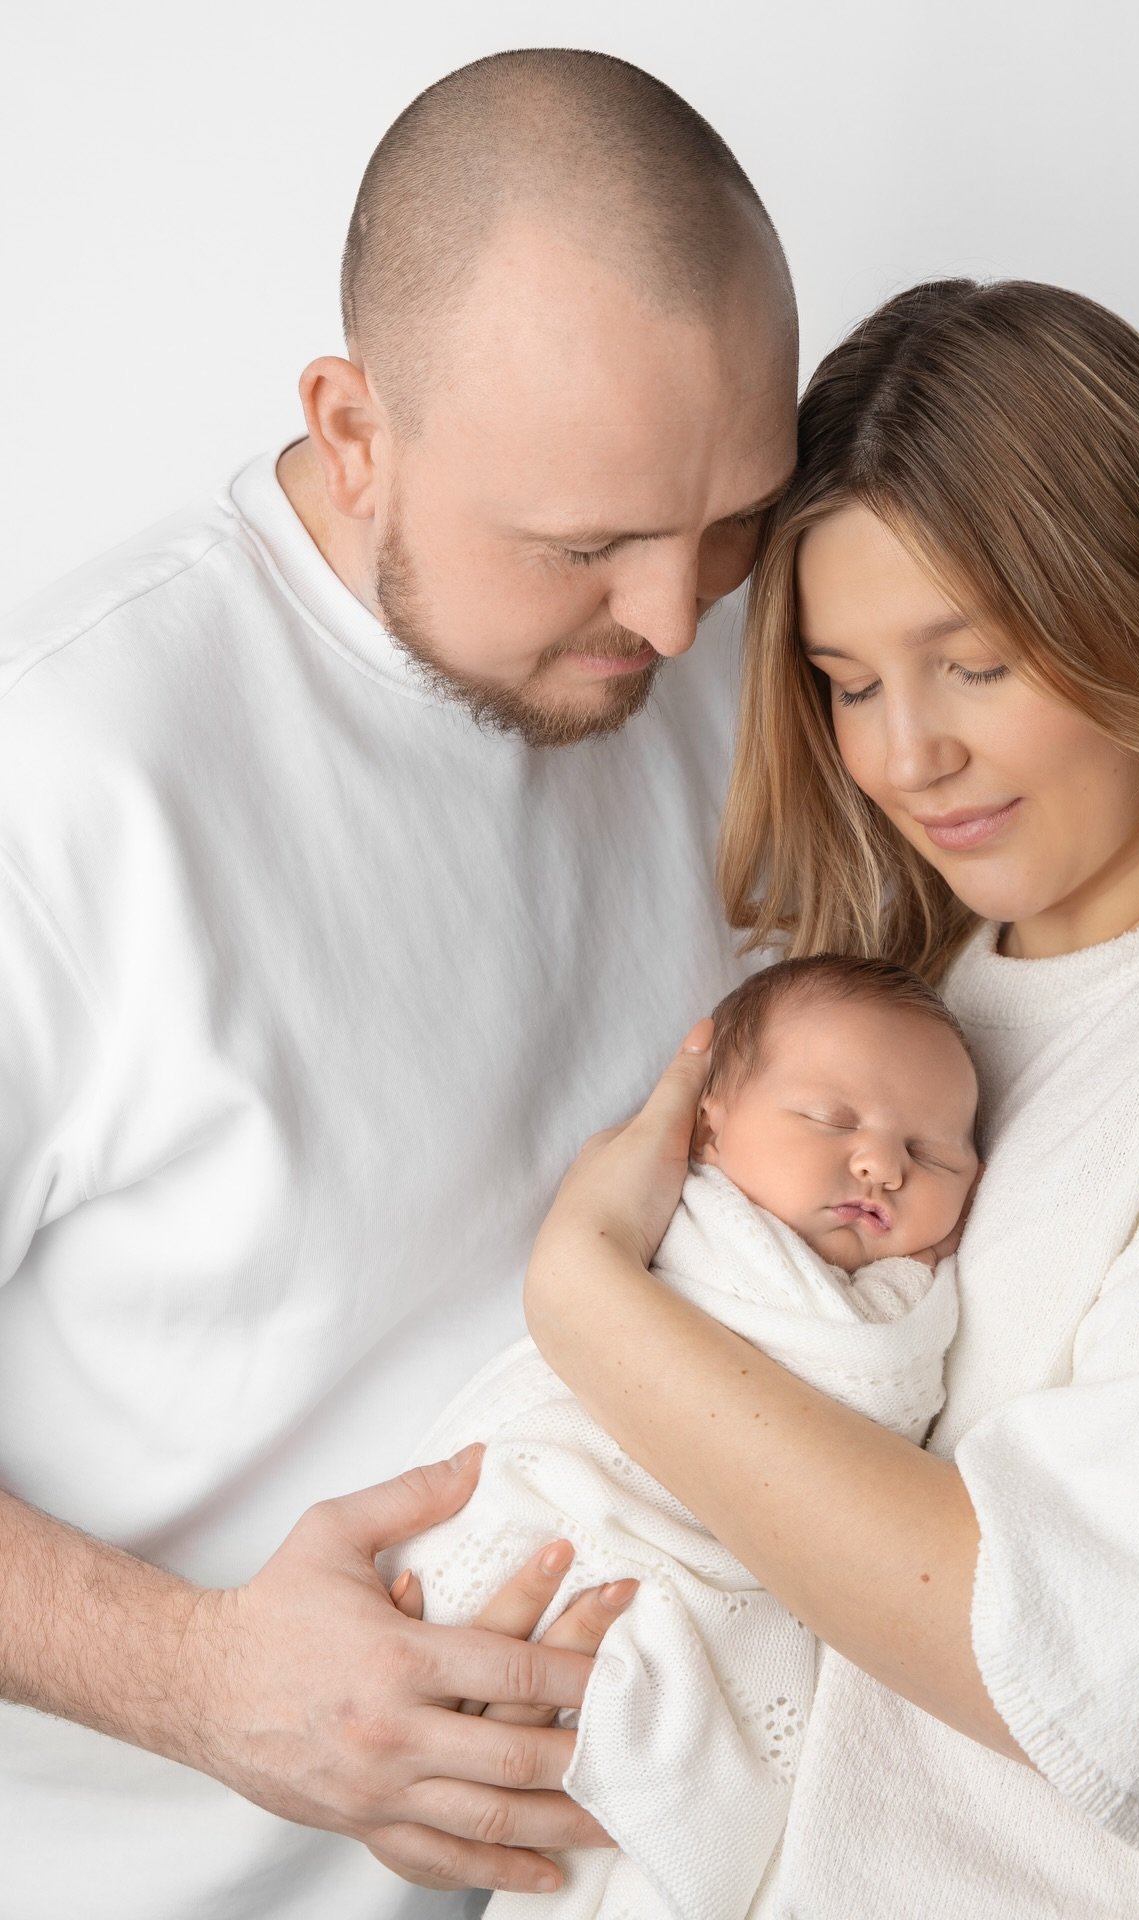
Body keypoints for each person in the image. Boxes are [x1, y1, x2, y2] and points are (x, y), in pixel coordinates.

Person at [520, 280, 1139, 1917]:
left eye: (976, 664)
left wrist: (585, 1299)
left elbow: (1072, 1650)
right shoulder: (927, 1005)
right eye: (849, 683)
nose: (909, 756)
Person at [0, 48, 796, 1920]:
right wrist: (196, 1681)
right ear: (354, 430)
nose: (676, 623)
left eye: (732, 520)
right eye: (586, 545)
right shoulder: (69, 781)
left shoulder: (753, 654)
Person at [387, 955, 978, 1916]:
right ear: (705, 1124)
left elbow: (878, 1414)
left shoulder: (906, 1308)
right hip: (578, 1525)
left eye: (935, 1154)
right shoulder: (678, 1234)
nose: (883, 1164)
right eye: (831, 1122)